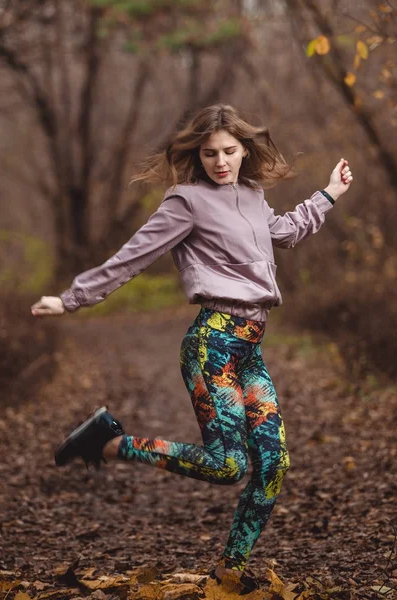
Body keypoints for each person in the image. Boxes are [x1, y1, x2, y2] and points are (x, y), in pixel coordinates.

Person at [31, 104, 353, 594]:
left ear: (245, 150)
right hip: (212, 344)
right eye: (209, 154)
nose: (220, 162)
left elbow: (283, 233)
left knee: (274, 464)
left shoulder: (252, 194)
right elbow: (134, 254)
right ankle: (111, 443)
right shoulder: (186, 201)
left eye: (228, 151)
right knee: (228, 465)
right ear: (196, 155)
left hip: (248, 348)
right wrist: (72, 299)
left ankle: (228, 573)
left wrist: (329, 194)